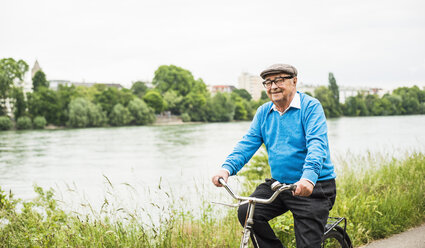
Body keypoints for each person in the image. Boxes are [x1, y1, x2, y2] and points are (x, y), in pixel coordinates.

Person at [211, 64, 337, 248]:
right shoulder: (264, 112)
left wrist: (308, 179)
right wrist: (226, 169)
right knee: (247, 212)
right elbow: (247, 144)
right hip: (279, 185)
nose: (273, 86)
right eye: (268, 82)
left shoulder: (310, 107)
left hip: (314, 187)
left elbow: (317, 145)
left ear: (294, 81)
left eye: (279, 80)